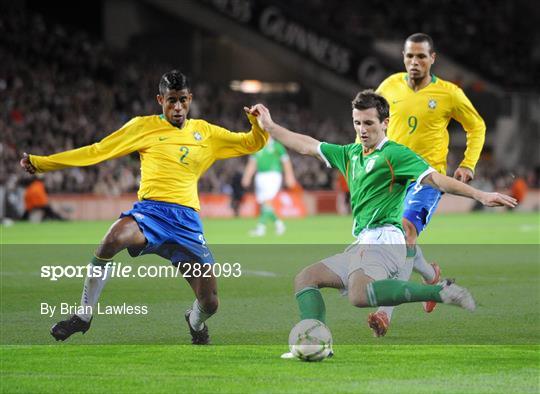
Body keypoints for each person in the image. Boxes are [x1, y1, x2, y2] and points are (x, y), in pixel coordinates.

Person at [245, 91, 515, 350]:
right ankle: (314, 340)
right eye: (357, 123)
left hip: (385, 241)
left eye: (369, 123)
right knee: (305, 278)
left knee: (359, 295)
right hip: (364, 242)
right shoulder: (350, 154)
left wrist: (480, 194)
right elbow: (305, 145)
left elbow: (436, 179)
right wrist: (269, 125)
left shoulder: (394, 154)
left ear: (385, 123)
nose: (362, 129)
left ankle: (440, 292)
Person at [19, 70, 268, 344]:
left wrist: (256, 124)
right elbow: (97, 150)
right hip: (150, 214)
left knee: (210, 303)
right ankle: (83, 316)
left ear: (190, 99)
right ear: (160, 99)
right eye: (171, 100)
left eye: (182, 100)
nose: (177, 107)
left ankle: (195, 323)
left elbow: (252, 143)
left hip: (186, 223)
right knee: (111, 240)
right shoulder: (142, 126)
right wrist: (43, 163)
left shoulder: (205, 133)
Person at [357, 33, 487, 336]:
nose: (414, 62)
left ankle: (385, 314)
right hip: (390, 177)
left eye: (421, 57)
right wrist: (361, 161)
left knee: (405, 233)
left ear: (433, 59)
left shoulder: (449, 93)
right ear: (403, 57)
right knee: (392, 239)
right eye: (409, 56)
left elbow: (476, 125)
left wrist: (468, 163)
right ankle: (430, 275)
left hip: (426, 178)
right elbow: (368, 122)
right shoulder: (389, 86)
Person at [241, 137, 296, 236]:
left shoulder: (277, 146)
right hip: (260, 176)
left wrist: (289, 176)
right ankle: (279, 224)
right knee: (265, 204)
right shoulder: (257, 146)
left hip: (273, 175)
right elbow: (252, 163)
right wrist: (247, 176)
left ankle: (260, 228)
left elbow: (286, 162)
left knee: (267, 201)